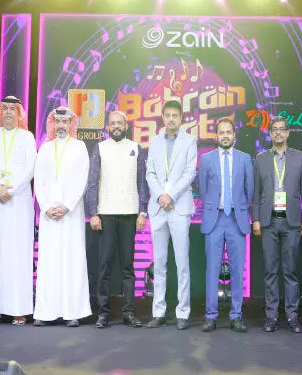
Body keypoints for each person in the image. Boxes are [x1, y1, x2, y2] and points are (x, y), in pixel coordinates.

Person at [0, 96, 37, 326]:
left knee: (18, 255)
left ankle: (18, 310)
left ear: (19, 113)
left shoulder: (27, 137)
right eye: (5, 109)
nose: (9, 112)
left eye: (13, 109)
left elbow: (31, 168)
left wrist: (12, 189)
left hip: (18, 202)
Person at [85, 111, 148, 329]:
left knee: (128, 266)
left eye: (120, 123)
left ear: (126, 125)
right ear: (108, 126)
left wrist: (142, 212)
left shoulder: (136, 147)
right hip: (106, 214)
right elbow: (92, 182)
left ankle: (129, 312)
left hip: (129, 214)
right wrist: (93, 212)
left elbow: (142, 182)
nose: (116, 126)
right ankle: (103, 313)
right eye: (112, 123)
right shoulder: (100, 148)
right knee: (104, 265)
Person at [32, 107, 91, 327]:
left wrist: (66, 206)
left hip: (71, 214)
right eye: (57, 122)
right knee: (49, 262)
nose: (61, 126)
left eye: (65, 122)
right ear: (53, 124)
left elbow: (83, 180)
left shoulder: (80, 147)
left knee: (72, 261)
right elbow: (38, 180)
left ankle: (72, 312)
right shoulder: (45, 148)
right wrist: (46, 207)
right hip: (49, 215)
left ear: (71, 124)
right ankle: (45, 312)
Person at [252, 116, 302, 334]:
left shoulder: (299, 157)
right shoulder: (261, 158)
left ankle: (293, 317)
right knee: (270, 271)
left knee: (290, 271)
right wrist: (255, 219)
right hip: (268, 221)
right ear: (270, 134)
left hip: (292, 221)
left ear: (287, 133)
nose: (278, 132)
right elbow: (256, 192)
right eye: (274, 129)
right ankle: (271, 317)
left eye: (281, 129)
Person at [144, 100, 198, 330]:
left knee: (182, 262)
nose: (172, 119)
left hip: (179, 206)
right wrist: (160, 196)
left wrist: (171, 196)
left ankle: (183, 313)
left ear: (181, 118)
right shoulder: (154, 141)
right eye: (168, 115)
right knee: (159, 263)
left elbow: (189, 173)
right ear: (163, 117)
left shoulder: (190, 141)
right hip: (158, 207)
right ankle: (158, 312)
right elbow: (150, 173)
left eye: (176, 115)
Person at [198, 117, 254, 333]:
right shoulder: (206, 159)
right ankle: (210, 316)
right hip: (215, 219)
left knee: (237, 270)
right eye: (221, 132)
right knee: (212, 270)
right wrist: (213, 206)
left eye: (228, 132)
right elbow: (203, 189)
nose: (225, 136)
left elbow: (249, 189)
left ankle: (236, 316)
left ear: (234, 135)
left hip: (236, 220)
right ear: (216, 136)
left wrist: (239, 207)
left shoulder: (245, 158)